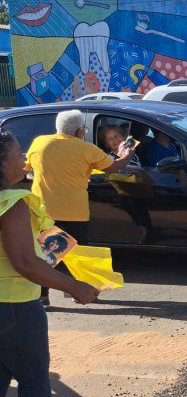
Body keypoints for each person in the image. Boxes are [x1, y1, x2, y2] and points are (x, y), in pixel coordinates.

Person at [0, 128, 99, 397]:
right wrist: (75, 286)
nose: (23, 159)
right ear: (1, 163)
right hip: (15, 308)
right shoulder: (12, 204)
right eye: (17, 153)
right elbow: (25, 263)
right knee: (33, 381)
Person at [25, 110, 135, 307]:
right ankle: (80, 293)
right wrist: (129, 153)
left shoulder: (40, 143)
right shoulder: (85, 148)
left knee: (46, 256)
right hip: (75, 212)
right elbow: (113, 167)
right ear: (78, 131)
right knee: (80, 255)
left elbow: (27, 168)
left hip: (44, 212)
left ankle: (42, 297)